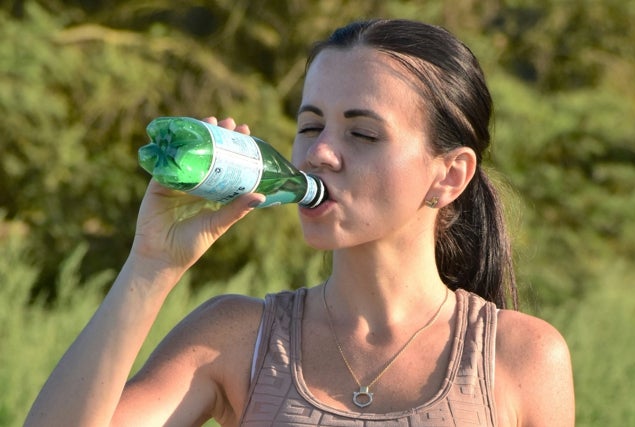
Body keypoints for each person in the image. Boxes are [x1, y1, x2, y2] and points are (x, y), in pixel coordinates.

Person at [25, 19, 574, 426]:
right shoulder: (235, 339)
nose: (321, 153)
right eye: (311, 127)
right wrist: (151, 263)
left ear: (449, 175)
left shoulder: (521, 358)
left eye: (362, 134)